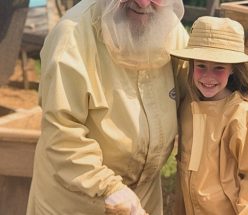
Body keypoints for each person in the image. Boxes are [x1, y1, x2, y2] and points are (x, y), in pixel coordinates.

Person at [26, 0, 189, 214]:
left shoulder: (171, 29)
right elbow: (61, 132)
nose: (142, 3)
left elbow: (195, 95)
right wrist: (109, 187)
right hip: (79, 200)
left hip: (143, 198)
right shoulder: (71, 36)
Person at [170, 16, 248, 214]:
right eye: (201, 66)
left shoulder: (242, 116)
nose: (208, 77)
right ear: (191, 64)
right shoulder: (188, 106)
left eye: (219, 68)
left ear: (233, 68)